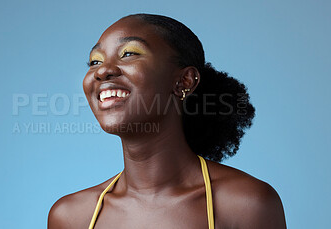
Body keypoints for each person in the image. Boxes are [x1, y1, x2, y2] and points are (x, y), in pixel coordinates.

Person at [48, 13, 286, 229]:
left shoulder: (246, 205)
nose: (102, 71)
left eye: (129, 53)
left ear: (184, 81)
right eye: (95, 62)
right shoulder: (71, 217)